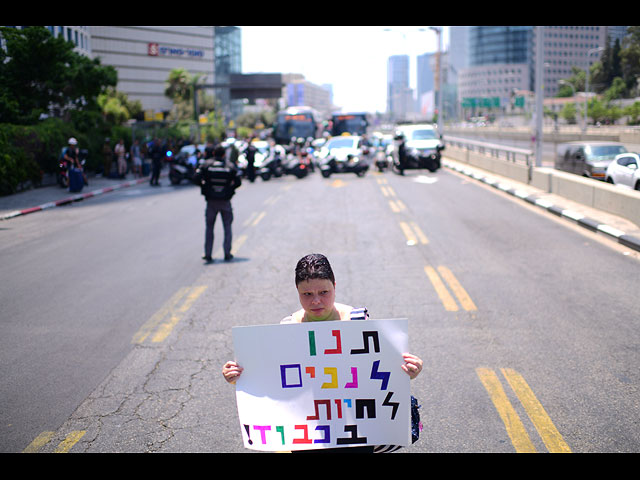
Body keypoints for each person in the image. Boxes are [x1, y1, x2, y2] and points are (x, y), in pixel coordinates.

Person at [222, 253, 423, 452]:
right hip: (310, 434)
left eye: (323, 292)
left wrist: (407, 372)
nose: (316, 301)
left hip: (357, 432)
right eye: (307, 294)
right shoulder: (288, 327)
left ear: (334, 286)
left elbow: (377, 374)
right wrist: (239, 377)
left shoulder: (358, 322)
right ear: (297, 292)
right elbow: (274, 379)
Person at [194, 145, 242, 263]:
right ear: (224, 154)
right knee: (227, 227)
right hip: (225, 201)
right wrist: (229, 190)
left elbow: (195, 178)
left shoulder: (206, 165)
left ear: (214, 153)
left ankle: (208, 254)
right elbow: (238, 181)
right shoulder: (229, 166)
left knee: (209, 228)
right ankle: (227, 253)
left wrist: (205, 188)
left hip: (211, 202)